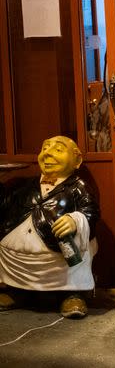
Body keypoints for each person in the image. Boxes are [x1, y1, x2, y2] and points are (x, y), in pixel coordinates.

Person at [0, 136, 99, 319]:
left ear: (77, 161)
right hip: (17, 257)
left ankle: (71, 294)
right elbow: (5, 205)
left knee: (79, 251)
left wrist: (75, 220)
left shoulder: (78, 187)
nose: (47, 153)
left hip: (58, 250)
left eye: (58, 150)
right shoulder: (26, 185)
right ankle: (16, 292)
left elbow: (91, 212)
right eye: (44, 148)